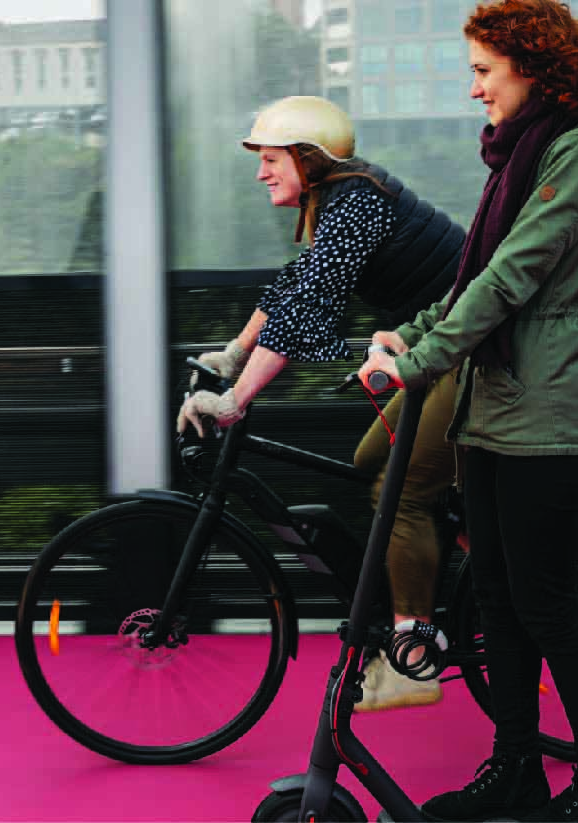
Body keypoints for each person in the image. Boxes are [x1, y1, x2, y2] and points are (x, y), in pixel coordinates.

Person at [356, 1, 578, 820]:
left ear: (534, 64)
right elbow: (468, 275)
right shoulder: (533, 145)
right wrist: (409, 333)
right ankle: (517, 767)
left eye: (484, 70)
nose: (475, 89)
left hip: (546, 410)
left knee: (547, 603)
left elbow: (513, 273)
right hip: (494, 406)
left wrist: (418, 362)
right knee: (496, 599)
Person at [175, 95, 467, 712]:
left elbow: (307, 308)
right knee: (368, 463)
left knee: (404, 488)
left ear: (309, 158)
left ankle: (415, 657)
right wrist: (233, 353)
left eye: (272, 158)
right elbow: (294, 284)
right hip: (436, 351)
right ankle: (462, 571)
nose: (261, 172)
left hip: (475, 355)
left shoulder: (357, 202)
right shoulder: (335, 202)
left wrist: (235, 400)